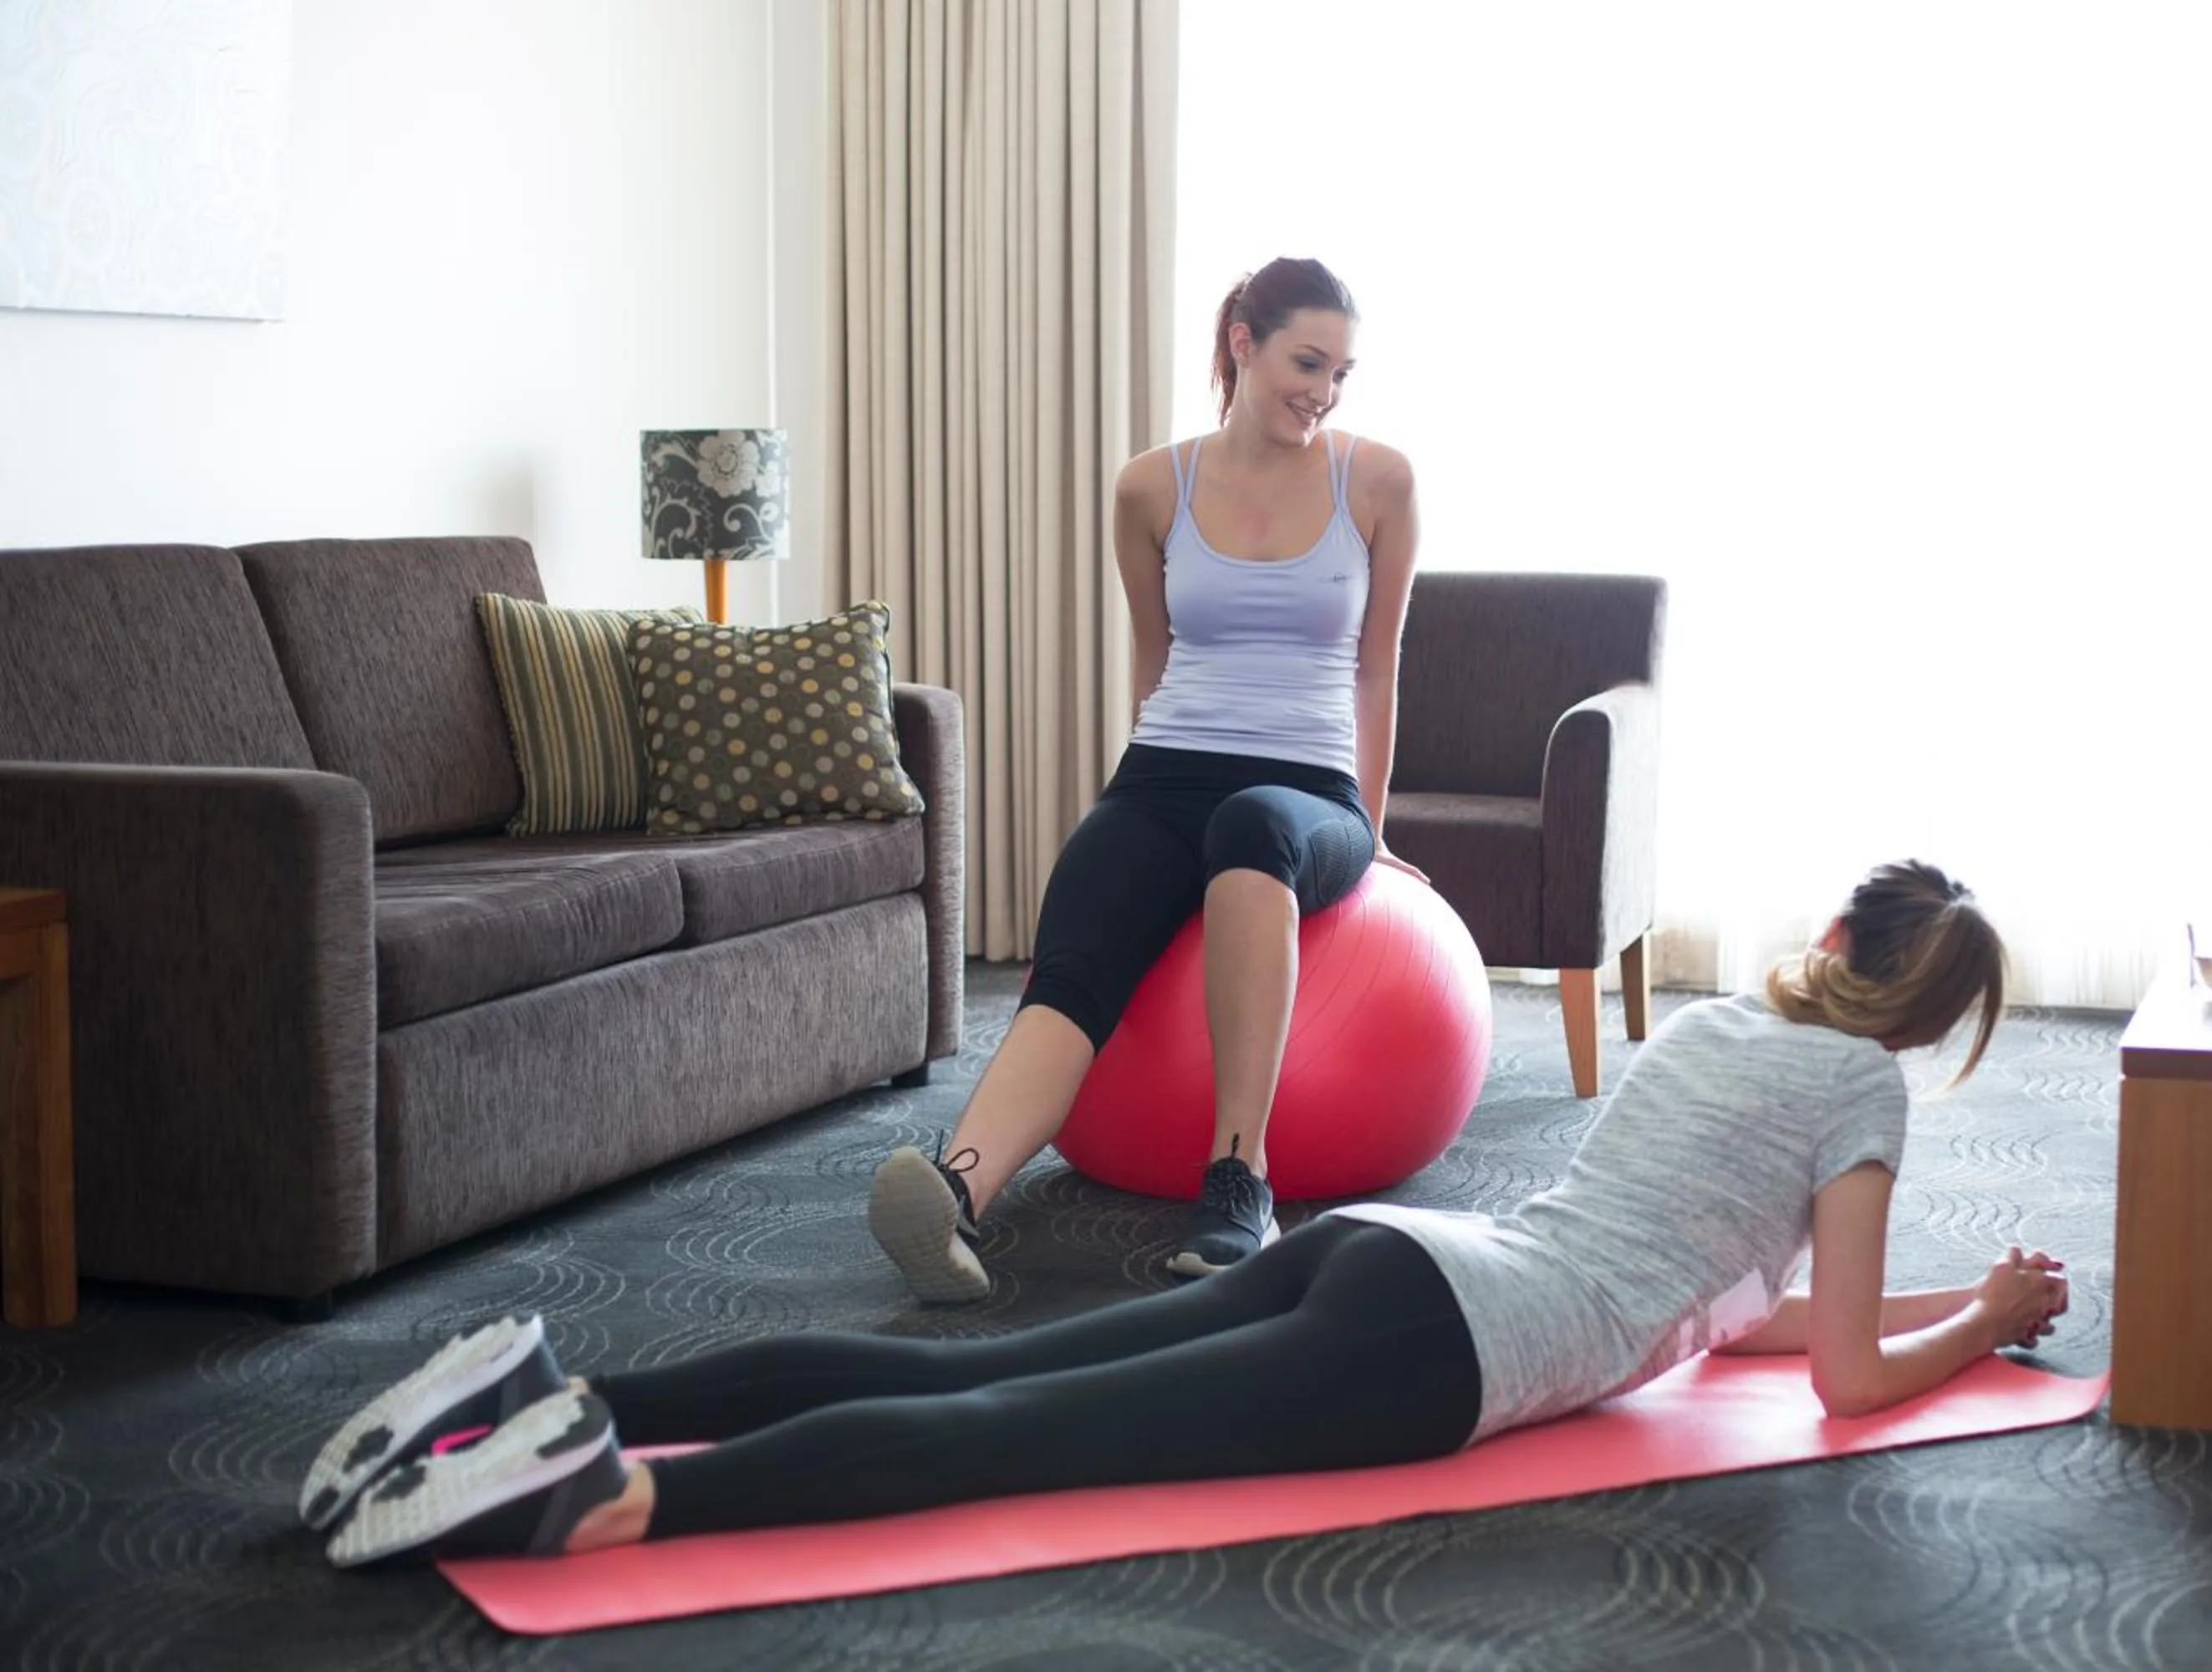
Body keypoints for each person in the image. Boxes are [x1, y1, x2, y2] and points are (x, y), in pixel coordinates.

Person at [306, 859, 2073, 1570]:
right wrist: (1980, 1326)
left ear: (1834, 948)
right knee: (1006, 1433)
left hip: (1390, 1250)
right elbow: (1839, 1376)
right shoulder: (1860, 1096)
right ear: (1925, 1027)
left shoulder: (1716, 1023)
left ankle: (558, 1382)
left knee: (991, 1375)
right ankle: (610, 1503)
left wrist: (1932, 1295)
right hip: (1445, 1351)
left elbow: (1726, 1307)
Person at [867, 255, 1426, 1301]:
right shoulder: (1148, 485)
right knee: (1083, 932)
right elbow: (1155, 653)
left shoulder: (1378, 482)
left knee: (1255, 826)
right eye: (1309, 360)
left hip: (1309, 792)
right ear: (1242, 343)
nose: (1327, 389)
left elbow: (1376, 667)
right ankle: (959, 1194)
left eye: (1343, 372)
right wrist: (1137, 814)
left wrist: (1377, 828)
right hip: (1168, 769)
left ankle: (1239, 1177)